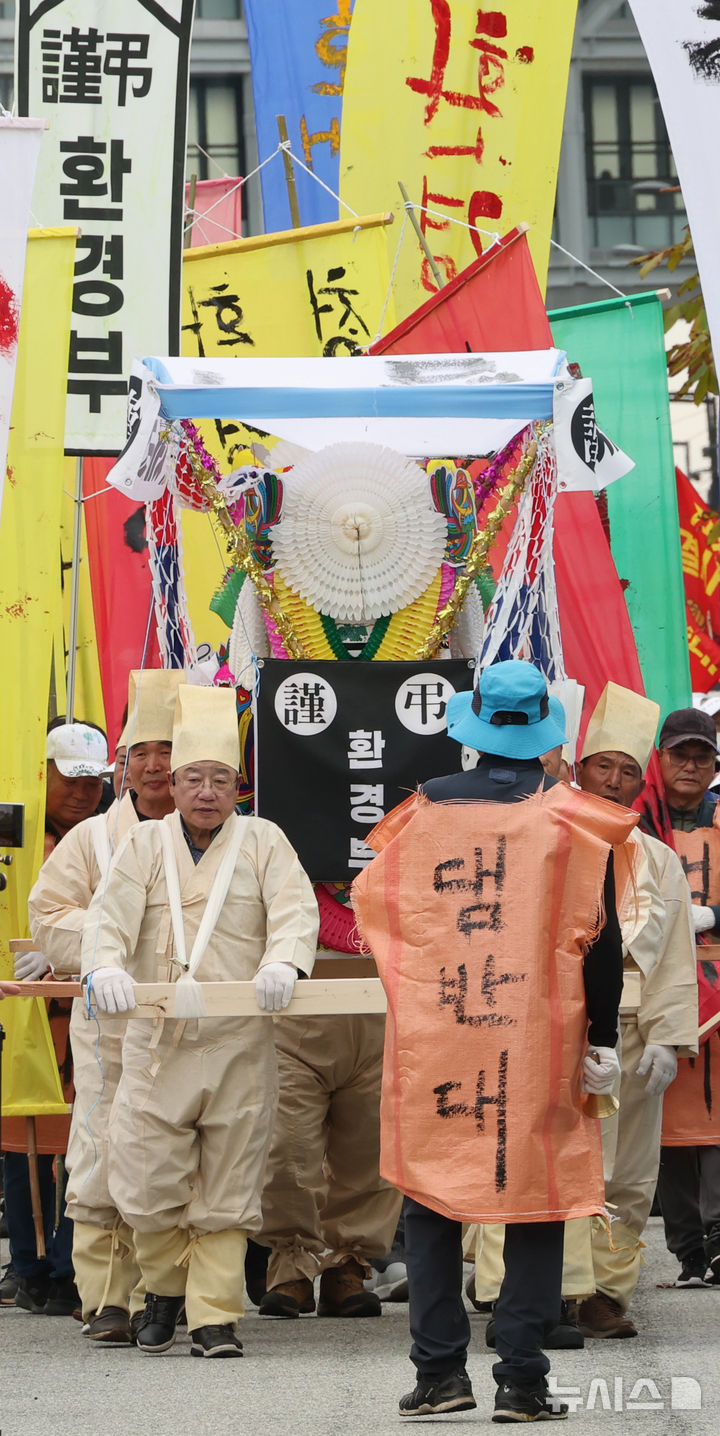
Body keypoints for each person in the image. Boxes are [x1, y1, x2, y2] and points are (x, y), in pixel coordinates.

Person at [353, 660, 631, 1423]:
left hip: (441, 1028)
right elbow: (599, 940)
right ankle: (522, 1378)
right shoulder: (575, 816)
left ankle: (440, 1372)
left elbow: (379, 917)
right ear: (546, 728)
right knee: (535, 1200)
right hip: (537, 1034)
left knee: (432, 1201)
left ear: (472, 726)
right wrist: (601, 1035)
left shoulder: (423, 810)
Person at [82, 684, 319, 1358]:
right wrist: (104, 967)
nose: (206, 791)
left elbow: (296, 912)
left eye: (220, 779)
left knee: (231, 1180)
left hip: (240, 1041)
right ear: (174, 784)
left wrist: (285, 964)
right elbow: (108, 918)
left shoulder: (264, 840)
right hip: (158, 1042)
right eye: (193, 779)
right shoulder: (144, 846)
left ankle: (214, 1315)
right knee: (146, 1182)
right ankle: (161, 1288)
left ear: (238, 785)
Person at [26, 669, 181, 1343]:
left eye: (167, 750)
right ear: (123, 766)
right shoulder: (93, 839)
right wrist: (112, 937)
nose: (154, 765)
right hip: (109, 1025)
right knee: (98, 1151)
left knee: (174, 1159)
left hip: (186, 1027)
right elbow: (47, 916)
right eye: (141, 752)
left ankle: (164, 1294)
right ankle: (106, 1298)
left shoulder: (224, 840)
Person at [572, 685, 698, 1335]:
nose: (615, 781)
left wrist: (666, 1039)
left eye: (628, 771)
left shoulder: (658, 860)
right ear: (578, 767)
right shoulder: (549, 842)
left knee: (627, 1173)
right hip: (558, 1030)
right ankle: (548, 1285)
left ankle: (606, 1291)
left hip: (629, 1029)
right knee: (560, 1162)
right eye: (604, 766)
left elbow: (675, 954)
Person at [3, 721, 110, 1317]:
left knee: (83, 1139)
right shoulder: (19, 845)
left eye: (93, 781)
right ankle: (29, 1263)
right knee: (25, 1137)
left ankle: (71, 1266)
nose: (81, 791)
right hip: (31, 1014)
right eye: (69, 779)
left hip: (87, 1011)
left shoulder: (113, 838)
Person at [635, 706, 720, 1285]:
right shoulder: (633, 823)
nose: (690, 765)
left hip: (717, 989)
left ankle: (717, 1243)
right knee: (660, 1118)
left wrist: (713, 913)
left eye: (702, 756)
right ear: (659, 758)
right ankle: (689, 1250)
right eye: (680, 754)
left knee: (716, 1120)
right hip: (653, 985)